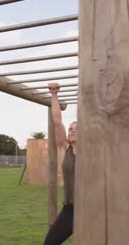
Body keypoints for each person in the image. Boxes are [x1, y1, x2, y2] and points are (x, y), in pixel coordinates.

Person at [43, 83, 77, 245]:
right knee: (50, 243)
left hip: (92, 207)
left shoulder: (93, 151)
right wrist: (54, 95)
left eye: (77, 128)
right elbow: (57, 122)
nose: (72, 130)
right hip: (69, 209)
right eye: (70, 128)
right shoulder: (66, 148)